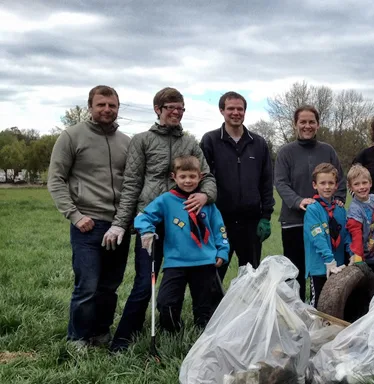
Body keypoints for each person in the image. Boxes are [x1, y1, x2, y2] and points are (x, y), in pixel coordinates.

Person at [106, 87, 217, 352]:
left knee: (184, 280)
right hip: (152, 223)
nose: (176, 113)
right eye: (170, 108)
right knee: (145, 283)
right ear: (158, 109)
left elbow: (208, 177)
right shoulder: (142, 140)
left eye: (180, 109)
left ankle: (177, 326)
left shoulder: (190, 143)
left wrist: (205, 197)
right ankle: (122, 340)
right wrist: (122, 222)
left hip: (184, 224)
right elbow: (132, 183)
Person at [47, 85, 131, 350]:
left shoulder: (126, 142)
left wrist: (127, 219)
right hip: (88, 224)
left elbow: (132, 183)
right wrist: (75, 215)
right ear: (90, 107)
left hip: (119, 226)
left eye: (112, 105)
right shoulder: (72, 137)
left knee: (109, 286)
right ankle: (78, 339)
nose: (107, 109)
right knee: (88, 286)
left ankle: (100, 333)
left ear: (118, 107)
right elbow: (56, 179)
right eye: (101, 104)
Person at [134, 156, 228, 332]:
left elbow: (219, 229)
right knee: (166, 303)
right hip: (176, 262)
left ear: (200, 177)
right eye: (183, 176)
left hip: (205, 262)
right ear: (174, 177)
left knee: (205, 305)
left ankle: (203, 333)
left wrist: (223, 250)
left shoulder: (206, 203)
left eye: (192, 176)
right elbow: (143, 217)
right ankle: (172, 332)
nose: (187, 181)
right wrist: (146, 230)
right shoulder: (166, 200)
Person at [274, 105, 345, 301]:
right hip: (294, 220)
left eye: (311, 122)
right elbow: (280, 182)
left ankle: (323, 310)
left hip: (325, 222)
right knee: (295, 272)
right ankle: (295, 312)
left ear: (318, 124)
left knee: (323, 270)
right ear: (295, 124)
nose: (307, 126)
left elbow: (340, 179)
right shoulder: (285, 152)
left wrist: (338, 201)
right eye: (302, 122)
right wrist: (297, 201)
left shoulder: (327, 150)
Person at [200, 91, 274, 277]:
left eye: (239, 109)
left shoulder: (258, 143)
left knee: (251, 275)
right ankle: (213, 307)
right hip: (219, 220)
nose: (235, 113)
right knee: (214, 274)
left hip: (251, 222)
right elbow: (202, 178)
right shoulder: (210, 141)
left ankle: (248, 306)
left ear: (245, 112)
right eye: (230, 108)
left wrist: (265, 216)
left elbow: (266, 182)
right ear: (222, 111)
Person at [303, 163, 349, 307]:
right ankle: (315, 329)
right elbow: (317, 237)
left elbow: (347, 235)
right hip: (319, 267)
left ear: (336, 185)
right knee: (318, 306)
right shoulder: (313, 209)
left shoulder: (340, 209)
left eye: (331, 183)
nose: (327, 187)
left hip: (339, 267)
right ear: (314, 185)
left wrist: (352, 253)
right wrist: (329, 260)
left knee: (336, 305)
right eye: (322, 183)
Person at [345, 164, 374, 284]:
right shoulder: (355, 209)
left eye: (364, 183)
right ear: (350, 187)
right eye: (356, 184)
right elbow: (355, 234)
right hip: (361, 257)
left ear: (370, 183)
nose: (361, 187)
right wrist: (358, 258)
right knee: (364, 288)